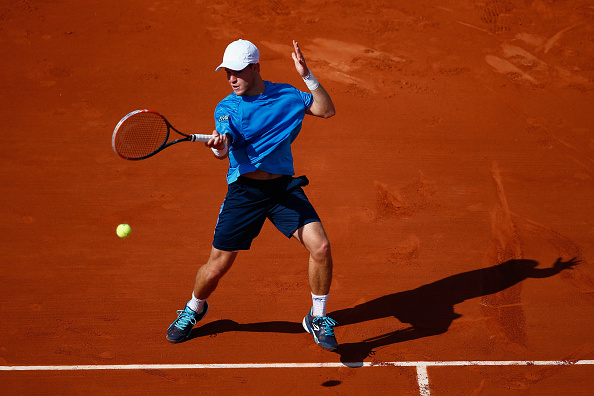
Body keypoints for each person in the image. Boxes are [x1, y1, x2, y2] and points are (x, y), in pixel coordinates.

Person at [166, 39, 338, 351]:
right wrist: (220, 148)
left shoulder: (286, 95)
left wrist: (307, 76)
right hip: (245, 193)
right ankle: (194, 308)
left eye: (237, 72)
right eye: (227, 73)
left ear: (256, 68)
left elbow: (326, 110)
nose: (231, 79)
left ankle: (318, 316)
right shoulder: (227, 107)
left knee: (322, 247)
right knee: (217, 266)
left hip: (283, 189)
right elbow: (225, 144)